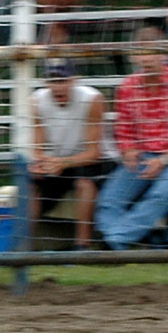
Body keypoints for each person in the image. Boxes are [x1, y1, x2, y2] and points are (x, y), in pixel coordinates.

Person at [95, 26, 168, 250]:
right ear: (133, 56)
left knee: (159, 196)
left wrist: (164, 160)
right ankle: (118, 244)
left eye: (152, 52)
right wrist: (128, 150)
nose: (146, 59)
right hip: (143, 156)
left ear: (165, 54)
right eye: (140, 53)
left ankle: (114, 242)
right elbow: (124, 129)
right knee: (109, 200)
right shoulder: (127, 87)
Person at [29, 58, 116, 250]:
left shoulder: (92, 99)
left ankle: (82, 246)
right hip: (59, 159)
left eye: (63, 81)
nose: (58, 87)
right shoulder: (37, 100)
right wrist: (40, 162)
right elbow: (37, 146)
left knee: (84, 183)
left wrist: (63, 163)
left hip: (94, 160)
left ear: (75, 80)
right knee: (32, 183)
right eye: (53, 81)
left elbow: (95, 152)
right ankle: (22, 245)